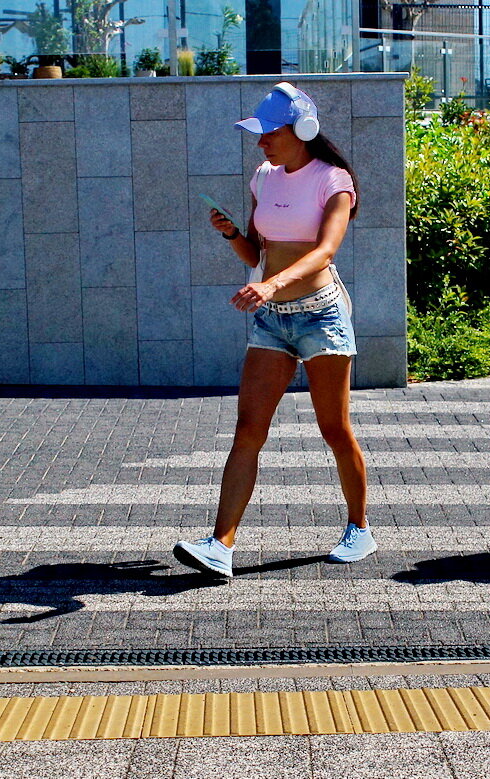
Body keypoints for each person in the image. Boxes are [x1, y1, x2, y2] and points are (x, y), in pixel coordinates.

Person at [174, 83, 374, 577]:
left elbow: (326, 251)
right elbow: (256, 255)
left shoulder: (335, 181)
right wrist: (233, 236)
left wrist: (271, 285)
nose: (260, 142)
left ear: (301, 129)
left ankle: (360, 529)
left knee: (334, 429)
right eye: (258, 134)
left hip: (320, 313)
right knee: (248, 430)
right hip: (272, 321)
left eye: (269, 132)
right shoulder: (264, 178)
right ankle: (220, 544)